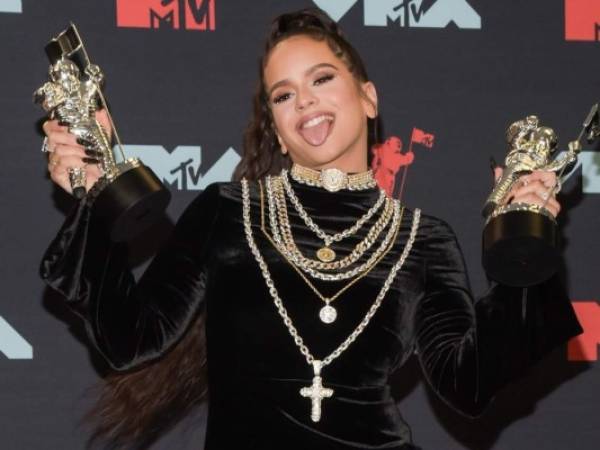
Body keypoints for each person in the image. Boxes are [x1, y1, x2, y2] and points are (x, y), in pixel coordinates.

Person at [40, 8, 582, 450]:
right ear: (276, 128)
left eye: (322, 79)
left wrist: (524, 252)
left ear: (368, 97)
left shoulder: (422, 240)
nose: (304, 100)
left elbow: (468, 381)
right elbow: (129, 337)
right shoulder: (226, 213)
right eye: (283, 94)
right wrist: (96, 197)